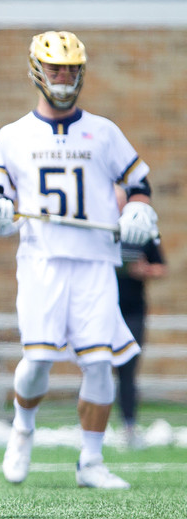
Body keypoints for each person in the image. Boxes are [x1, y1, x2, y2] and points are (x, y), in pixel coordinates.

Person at [0, 31, 159, 489]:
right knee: (38, 359)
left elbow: (139, 184)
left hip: (95, 262)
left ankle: (91, 461)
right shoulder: (12, 135)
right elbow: (1, 202)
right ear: (37, 70)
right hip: (42, 261)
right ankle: (22, 430)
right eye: (56, 68)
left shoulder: (104, 131)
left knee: (100, 365)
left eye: (72, 69)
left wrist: (138, 209)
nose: (64, 77)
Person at [113, 186, 166, 449]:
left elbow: (161, 267)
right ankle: (91, 425)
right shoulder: (98, 228)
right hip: (103, 307)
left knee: (128, 368)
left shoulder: (143, 230)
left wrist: (143, 270)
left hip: (132, 309)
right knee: (95, 365)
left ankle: (128, 425)